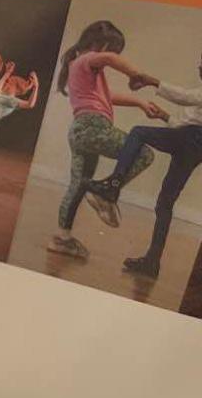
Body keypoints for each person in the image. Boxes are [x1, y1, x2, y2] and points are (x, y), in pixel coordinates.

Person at [48, 20, 166, 259]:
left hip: (79, 131)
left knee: (79, 184)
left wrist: (141, 103)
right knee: (143, 153)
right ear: (98, 44)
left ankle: (62, 238)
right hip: (94, 126)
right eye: (113, 50)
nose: (114, 57)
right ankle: (104, 192)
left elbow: (108, 96)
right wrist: (136, 74)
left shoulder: (79, 67)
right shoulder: (86, 59)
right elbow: (111, 60)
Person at [83, 51, 202, 280]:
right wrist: (164, 117)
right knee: (164, 204)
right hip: (192, 145)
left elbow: (186, 97)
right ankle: (152, 262)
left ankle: (113, 186)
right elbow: (184, 123)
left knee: (138, 133)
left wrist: (151, 80)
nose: (199, 68)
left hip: (192, 139)